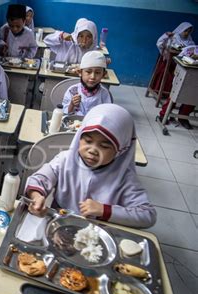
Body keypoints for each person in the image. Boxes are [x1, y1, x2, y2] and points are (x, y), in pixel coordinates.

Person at [25, 104, 157, 228]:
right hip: (59, 224)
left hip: (96, 233)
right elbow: (39, 179)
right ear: (79, 138)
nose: (93, 150)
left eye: (104, 146)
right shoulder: (65, 160)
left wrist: (104, 210)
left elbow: (147, 215)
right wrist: (36, 196)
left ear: (120, 150)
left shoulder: (124, 178)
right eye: (88, 141)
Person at [157, 44, 198, 129]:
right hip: (184, 76)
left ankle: (183, 117)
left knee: (193, 98)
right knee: (175, 95)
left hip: (195, 82)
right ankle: (163, 114)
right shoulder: (191, 49)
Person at [149, 22, 194, 98]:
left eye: (189, 31)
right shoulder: (172, 37)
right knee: (167, 74)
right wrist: (165, 36)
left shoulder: (189, 40)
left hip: (180, 63)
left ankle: (172, 94)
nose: (187, 33)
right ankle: (162, 92)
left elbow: (192, 49)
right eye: (185, 30)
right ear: (181, 29)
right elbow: (159, 43)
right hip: (168, 61)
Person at [62, 51, 111, 115]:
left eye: (98, 72)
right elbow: (65, 114)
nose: (93, 77)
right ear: (80, 72)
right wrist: (72, 104)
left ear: (103, 75)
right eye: (88, 72)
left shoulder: (104, 94)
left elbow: (107, 115)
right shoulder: (72, 91)